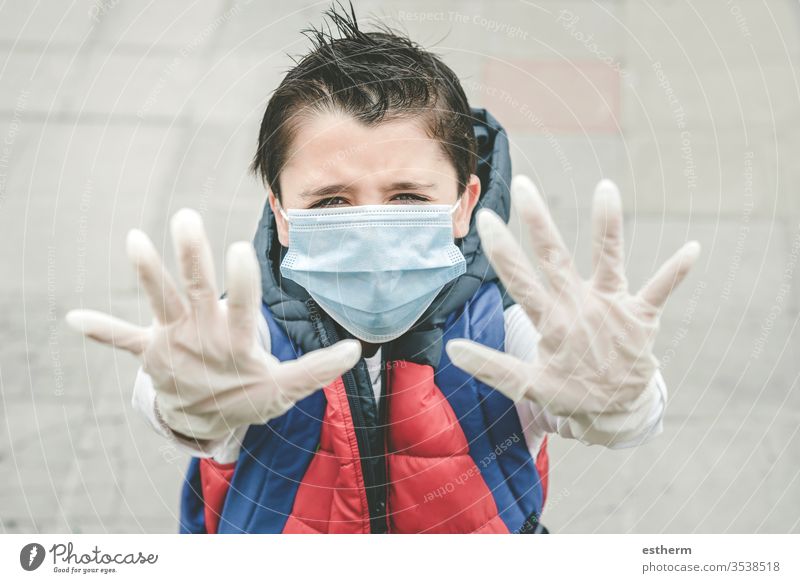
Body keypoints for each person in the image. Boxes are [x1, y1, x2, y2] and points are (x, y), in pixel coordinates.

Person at [65, 3, 699, 534]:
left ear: (464, 203)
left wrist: (619, 392)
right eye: (331, 201)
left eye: (408, 198)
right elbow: (189, 384)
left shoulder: (505, 333)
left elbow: (613, 409)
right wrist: (182, 398)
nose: (371, 225)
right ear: (282, 214)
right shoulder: (241, 335)